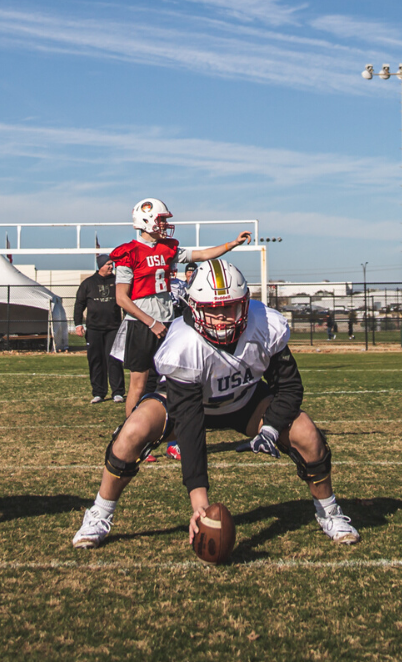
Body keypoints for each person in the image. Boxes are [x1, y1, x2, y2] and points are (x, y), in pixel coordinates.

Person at [71, 260, 358, 549]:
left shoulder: (264, 325)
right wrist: (200, 502)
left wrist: (271, 428)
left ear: (245, 304)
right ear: (194, 308)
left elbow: (290, 387)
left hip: (244, 400)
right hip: (191, 403)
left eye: (229, 307)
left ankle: (329, 511)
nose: (221, 317)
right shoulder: (183, 343)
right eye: (212, 309)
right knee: (133, 431)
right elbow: (190, 422)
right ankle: (100, 512)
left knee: (307, 433)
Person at [109, 198, 252, 415]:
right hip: (142, 324)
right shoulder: (128, 252)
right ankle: (132, 433)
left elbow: (202, 255)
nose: (165, 225)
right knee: (138, 384)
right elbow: (122, 298)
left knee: (173, 381)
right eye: (161, 220)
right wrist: (152, 323)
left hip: (167, 320)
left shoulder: (168, 248)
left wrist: (231, 244)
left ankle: (173, 429)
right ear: (146, 221)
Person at [72, 254, 126, 404]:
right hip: (94, 329)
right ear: (100, 265)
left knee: (114, 360)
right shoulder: (88, 283)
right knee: (96, 360)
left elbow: (126, 301)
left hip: (113, 328)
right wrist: (78, 324)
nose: (111, 266)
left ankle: (118, 392)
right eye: (108, 264)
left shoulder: (118, 282)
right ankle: (98, 392)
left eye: (112, 264)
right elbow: (79, 304)